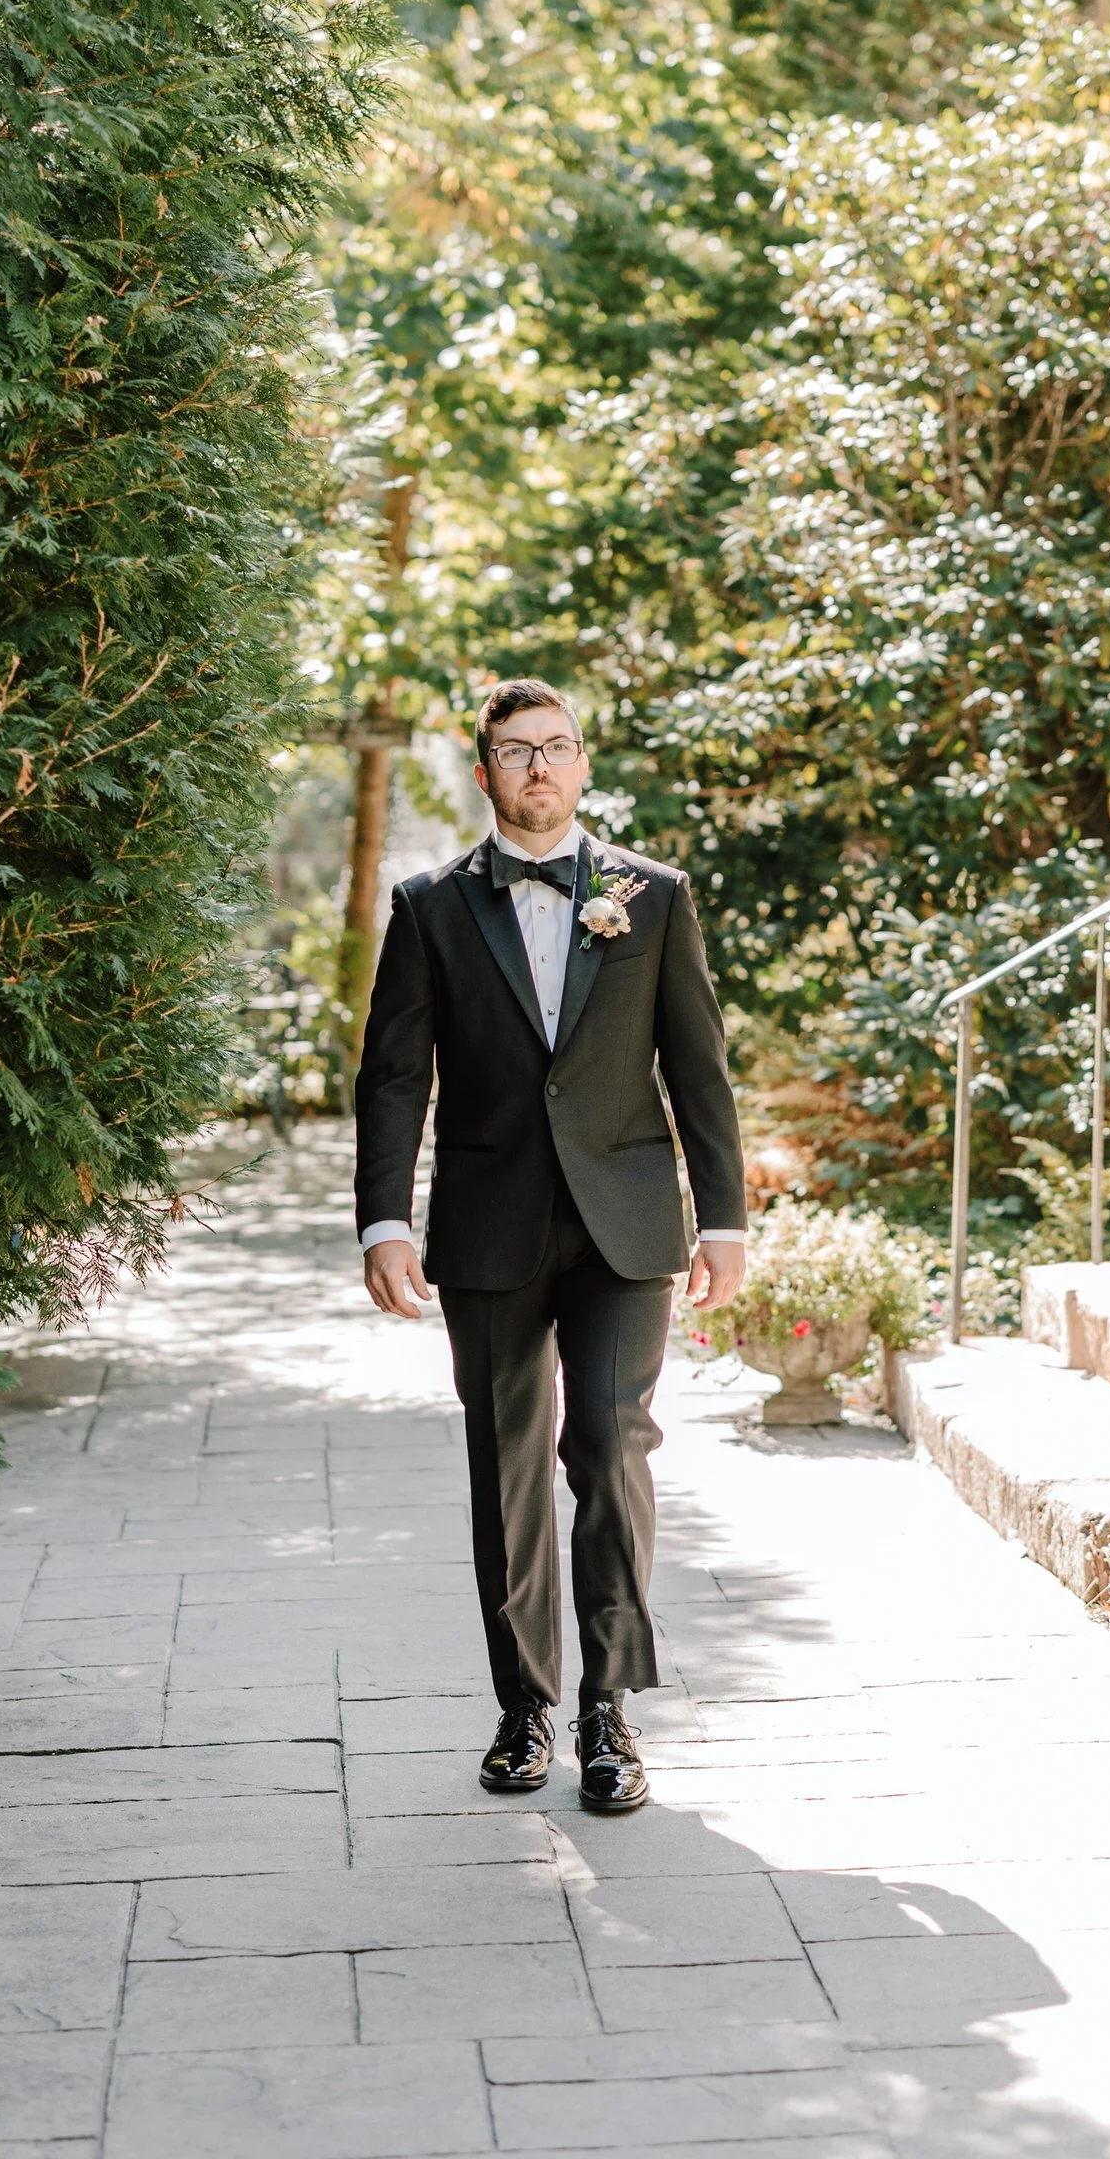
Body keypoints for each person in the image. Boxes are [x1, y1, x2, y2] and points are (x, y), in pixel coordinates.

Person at [353, 677, 747, 1813]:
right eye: (518, 750)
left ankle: (607, 1709)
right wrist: (386, 1219)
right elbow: (394, 1077)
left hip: (627, 1223)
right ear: (485, 773)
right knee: (508, 1462)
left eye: (557, 747)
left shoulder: (652, 897)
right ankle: (524, 1708)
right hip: (489, 1224)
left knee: (612, 1450)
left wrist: (723, 1217)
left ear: (582, 765)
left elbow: (698, 1066)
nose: (539, 766)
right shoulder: (429, 907)